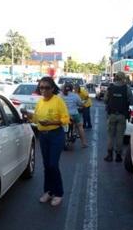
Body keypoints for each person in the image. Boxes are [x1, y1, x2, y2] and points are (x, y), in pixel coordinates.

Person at [21, 76, 69, 206]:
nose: (44, 90)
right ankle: (48, 191)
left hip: (56, 135)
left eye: (47, 88)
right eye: (41, 87)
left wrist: (51, 122)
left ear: (52, 88)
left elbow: (65, 119)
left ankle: (58, 193)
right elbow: (36, 119)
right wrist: (28, 115)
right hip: (43, 136)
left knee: (53, 164)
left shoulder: (58, 101)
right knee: (47, 166)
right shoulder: (40, 102)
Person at [104, 71, 131, 162]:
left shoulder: (110, 88)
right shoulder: (126, 88)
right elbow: (131, 101)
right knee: (120, 136)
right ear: (123, 78)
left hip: (111, 115)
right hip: (122, 115)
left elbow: (105, 100)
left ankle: (109, 155)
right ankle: (118, 156)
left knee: (111, 136)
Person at [60, 83, 88, 148]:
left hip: (64, 115)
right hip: (74, 114)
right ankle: (84, 143)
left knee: (59, 127)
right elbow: (80, 104)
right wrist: (83, 105)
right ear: (72, 88)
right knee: (80, 126)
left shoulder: (60, 95)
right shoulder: (75, 96)